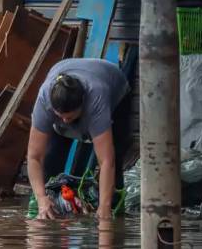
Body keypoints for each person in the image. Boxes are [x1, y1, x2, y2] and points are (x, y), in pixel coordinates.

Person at [26, 58, 131, 221]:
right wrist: (41, 198)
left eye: (69, 117)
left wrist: (104, 208)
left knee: (114, 157)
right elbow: (34, 157)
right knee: (51, 157)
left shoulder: (96, 100)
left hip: (114, 87)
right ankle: (48, 209)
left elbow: (106, 161)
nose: (65, 121)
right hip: (66, 80)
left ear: (82, 105)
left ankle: (114, 211)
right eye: (61, 117)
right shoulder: (44, 100)